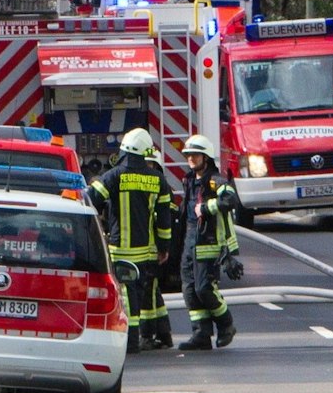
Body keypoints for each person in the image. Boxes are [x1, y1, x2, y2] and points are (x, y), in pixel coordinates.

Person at [89, 128, 176, 353]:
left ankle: (131, 340)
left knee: (125, 295)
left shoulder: (113, 176)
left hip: (120, 250)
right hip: (147, 251)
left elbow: (90, 202)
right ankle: (146, 336)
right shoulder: (158, 180)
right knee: (140, 292)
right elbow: (164, 220)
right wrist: (164, 248)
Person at [177, 134, 238, 349]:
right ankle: (201, 334)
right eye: (188, 155)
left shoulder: (215, 179)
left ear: (206, 157)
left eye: (195, 155)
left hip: (208, 242)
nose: (191, 158)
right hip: (189, 241)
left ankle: (226, 324)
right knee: (190, 289)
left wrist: (206, 208)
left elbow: (230, 199)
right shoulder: (189, 180)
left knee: (204, 288)